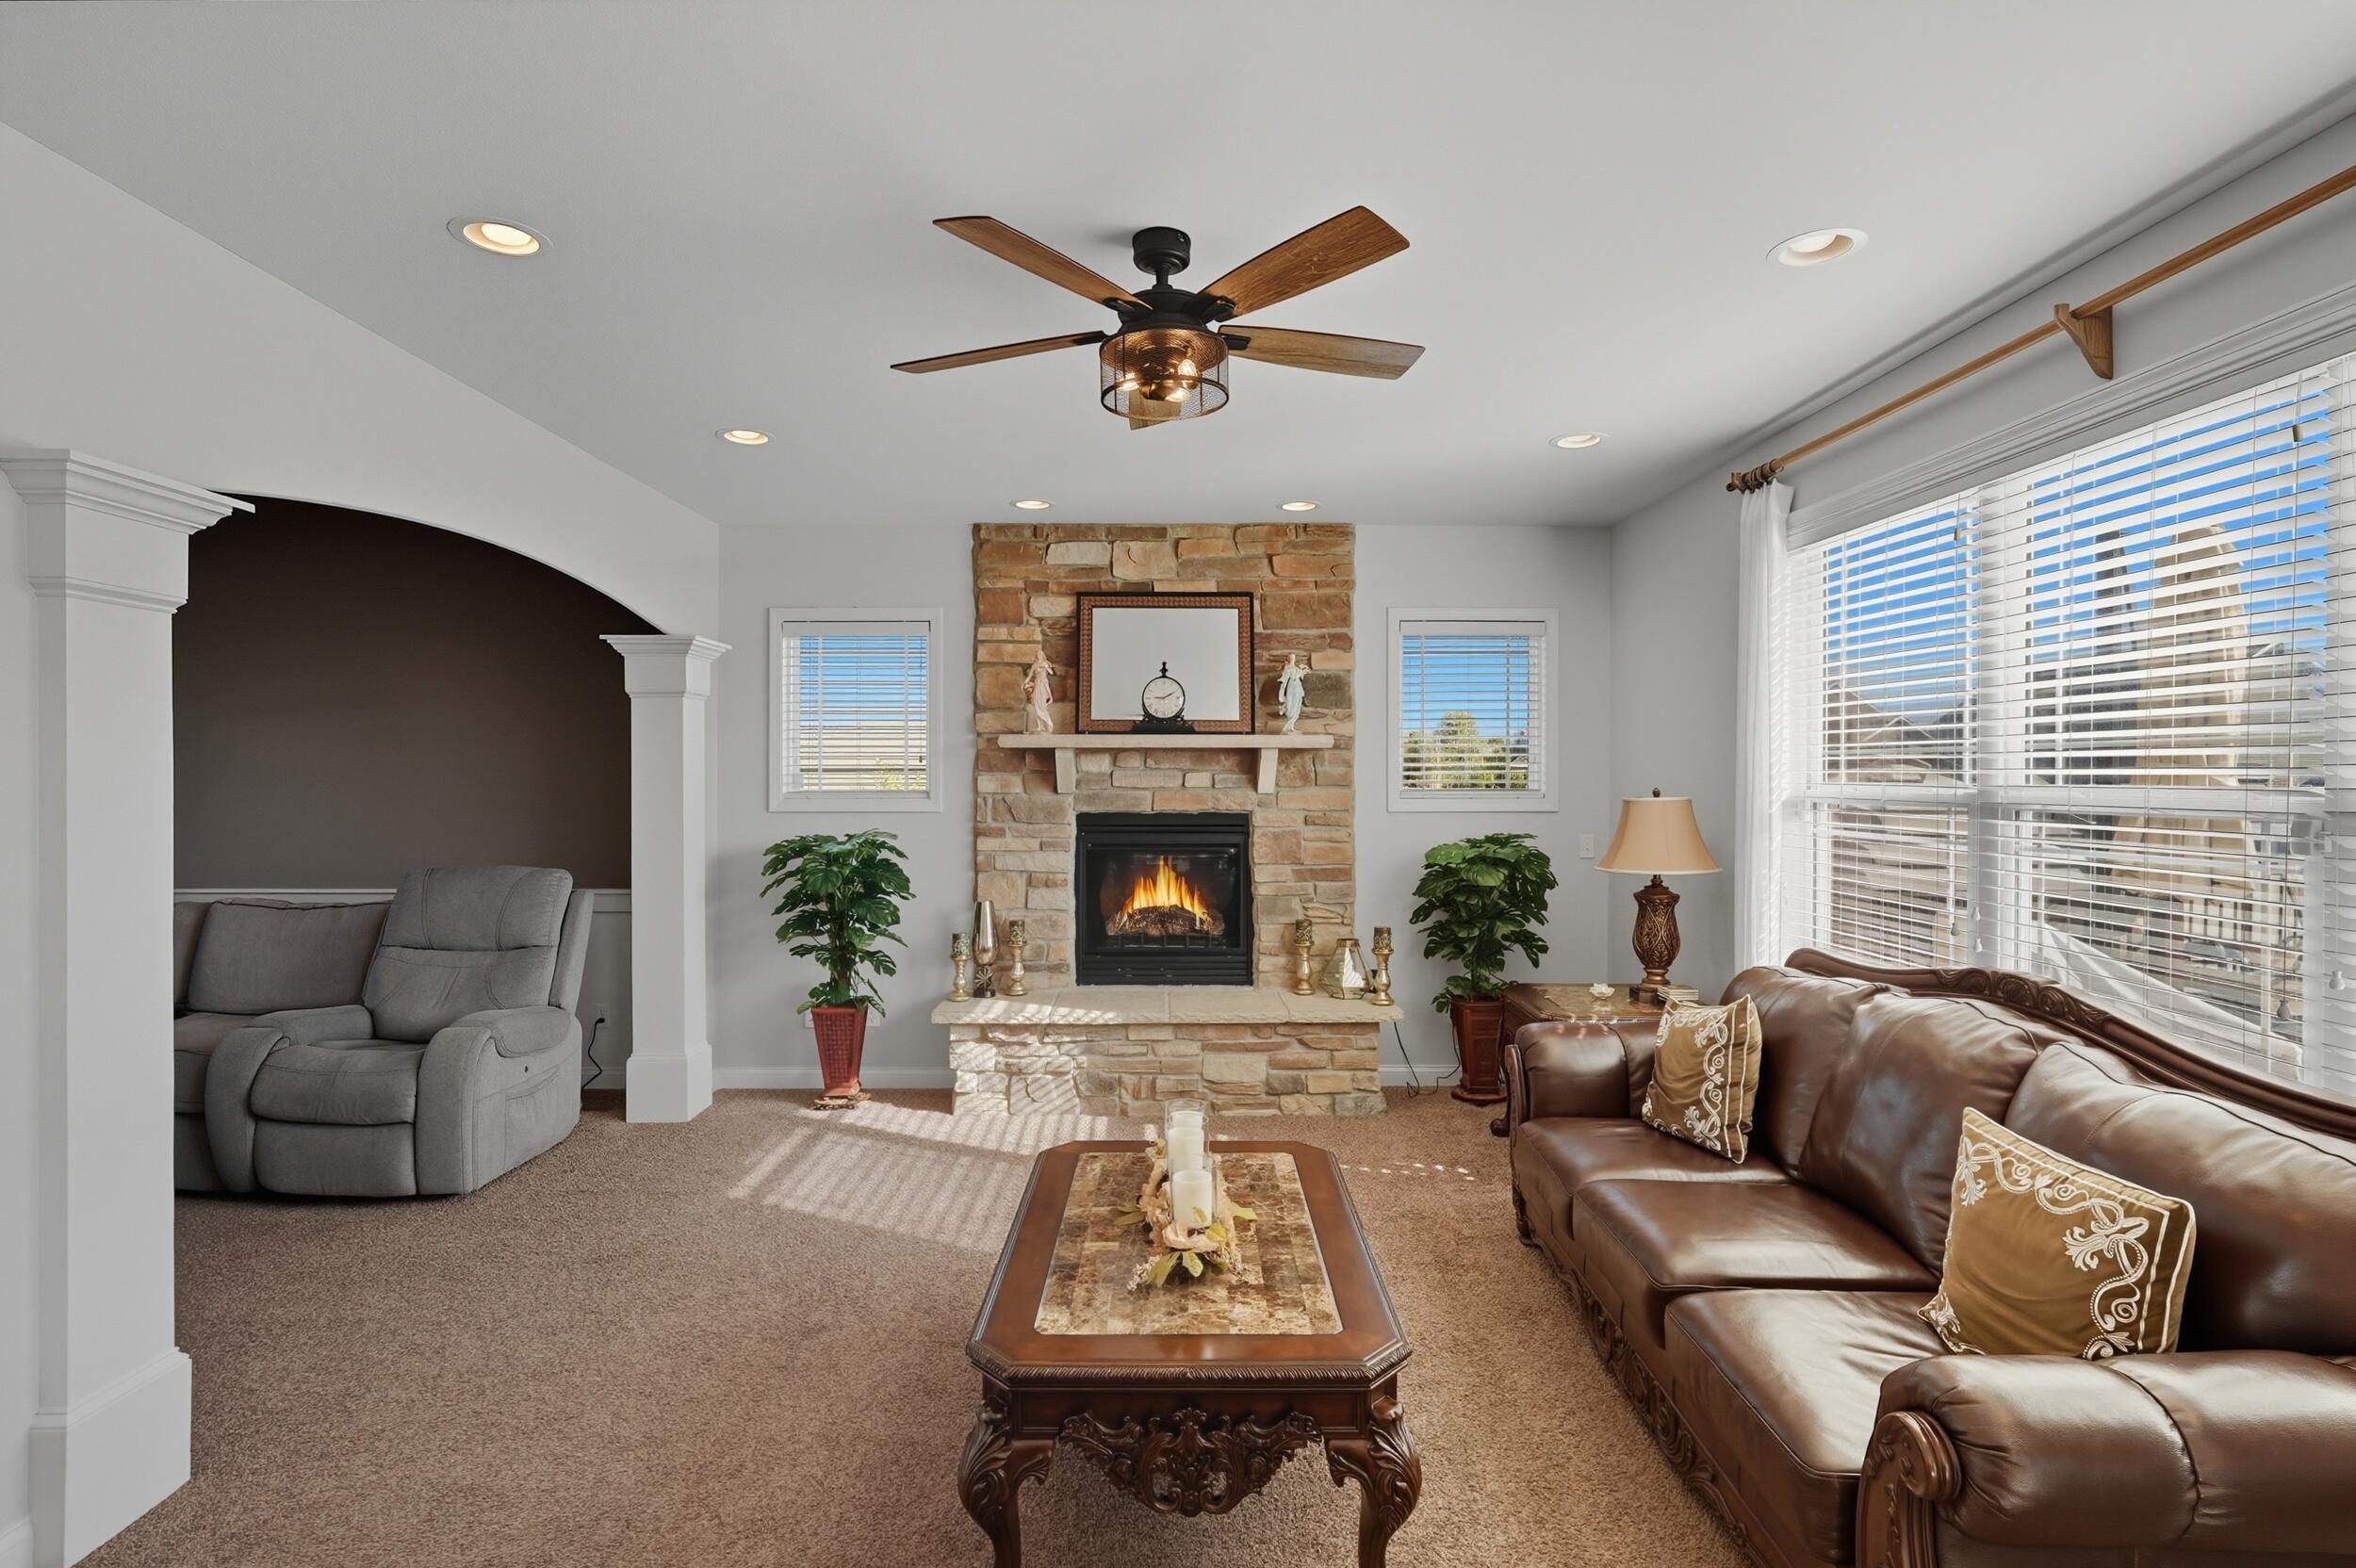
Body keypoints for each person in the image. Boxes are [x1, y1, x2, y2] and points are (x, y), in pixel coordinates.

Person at [1023, 650, 1055, 734]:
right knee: (1036, 706)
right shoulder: (1034, 666)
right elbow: (1029, 677)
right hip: (1037, 685)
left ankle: (1048, 723)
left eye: (1040, 655)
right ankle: (1040, 726)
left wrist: (1045, 667)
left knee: (1042, 706)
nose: (1039, 656)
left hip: (1043, 685)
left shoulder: (1045, 664)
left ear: (1043, 656)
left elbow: (1051, 672)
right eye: (1037, 655)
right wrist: (1024, 683)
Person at [1278, 652, 1306, 733]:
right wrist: (1282, 691)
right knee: (1290, 705)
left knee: (1297, 704)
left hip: (1298, 686)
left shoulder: (1296, 668)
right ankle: (1288, 725)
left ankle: (1291, 726)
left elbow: (1300, 677)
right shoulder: (1287, 667)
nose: (1293, 659)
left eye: (1294, 657)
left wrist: (1302, 671)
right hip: (1291, 687)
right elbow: (1285, 680)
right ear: (1289, 659)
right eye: (1291, 657)